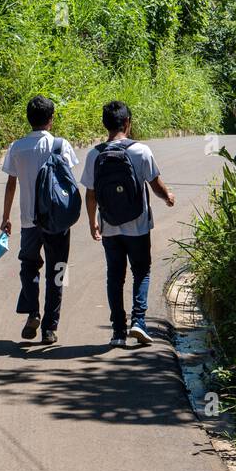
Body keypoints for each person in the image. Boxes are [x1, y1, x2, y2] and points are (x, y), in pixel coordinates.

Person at [80, 101, 174, 348]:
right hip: (138, 226)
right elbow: (156, 185)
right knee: (141, 271)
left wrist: (92, 222)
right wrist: (168, 198)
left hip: (109, 225)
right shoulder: (141, 151)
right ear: (128, 123)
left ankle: (118, 332)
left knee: (115, 276)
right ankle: (139, 322)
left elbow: (90, 194)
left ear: (105, 124)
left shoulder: (94, 154)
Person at [1, 95, 79, 346]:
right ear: (51, 119)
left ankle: (33, 311)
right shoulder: (60, 145)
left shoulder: (17, 147)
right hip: (56, 221)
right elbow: (69, 180)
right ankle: (49, 328)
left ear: (29, 119)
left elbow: (11, 184)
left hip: (28, 221)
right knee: (57, 271)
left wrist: (5, 218)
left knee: (28, 266)